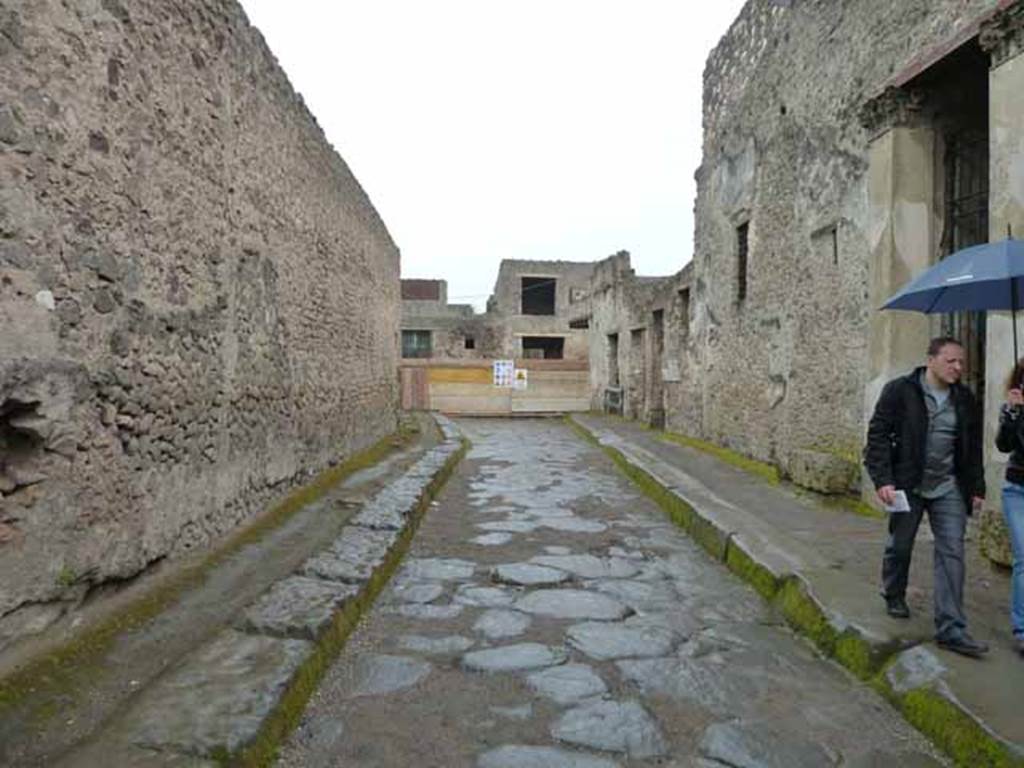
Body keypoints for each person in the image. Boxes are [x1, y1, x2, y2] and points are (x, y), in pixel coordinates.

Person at [864, 336, 988, 658]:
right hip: (908, 483)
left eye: (962, 362)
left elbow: (972, 448)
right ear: (931, 360)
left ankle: (951, 629)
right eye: (951, 361)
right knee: (900, 545)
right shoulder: (900, 391)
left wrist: (976, 488)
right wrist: (883, 480)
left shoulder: (965, 399)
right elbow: (877, 436)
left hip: (949, 487)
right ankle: (893, 592)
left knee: (952, 553)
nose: (958, 367)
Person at [994, 359, 1024, 657]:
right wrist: (1014, 414)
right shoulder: (1013, 408)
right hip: (1018, 491)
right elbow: (1004, 445)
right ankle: (1023, 629)